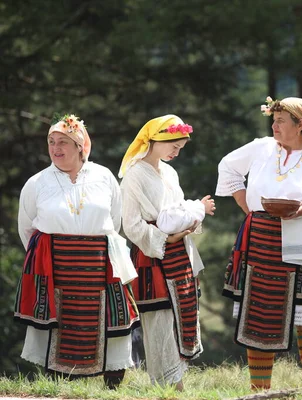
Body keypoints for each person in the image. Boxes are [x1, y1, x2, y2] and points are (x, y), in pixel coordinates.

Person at [216, 96, 302, 390]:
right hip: (261, 237)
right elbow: (228, 167)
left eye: (281, 121)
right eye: (273, 120)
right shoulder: (262, 147)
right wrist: (249, 209)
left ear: (300, 124)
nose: (274, 126)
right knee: (258, 313)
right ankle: (258, 389)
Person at [15, 114, 139, 388]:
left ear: (80, 146)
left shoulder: (103, 176)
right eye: (51, 142)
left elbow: (115, 222)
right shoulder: (37, 183)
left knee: (110, 320)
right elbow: (27, 230)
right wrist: (50, 257)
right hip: (56, 265)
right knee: (58, 324)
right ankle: (57, 386)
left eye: (63, 142)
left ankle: (112, 386)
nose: (56, 148)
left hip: (99, 262)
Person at [120, 115, 215, 390]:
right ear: (157, 140)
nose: (176, 152)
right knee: (160, 318)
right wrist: (164, 238)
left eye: (181, 148)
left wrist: (192, 218)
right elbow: (132, 224)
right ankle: (166, 386)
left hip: (180, 254)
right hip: (153, 256)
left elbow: (180, 209)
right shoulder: (134, 175)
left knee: (180, 316)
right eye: (174, 145)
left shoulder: (170, 173)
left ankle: (177, 383)